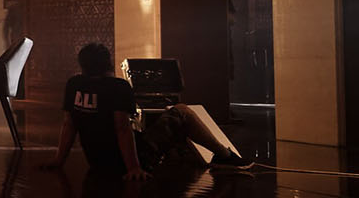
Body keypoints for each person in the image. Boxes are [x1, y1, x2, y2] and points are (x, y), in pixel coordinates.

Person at [42, 43, 250, 180]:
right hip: (132, 159)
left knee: (162, 124)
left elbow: (69, 124)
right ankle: (223, 155)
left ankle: (207, 156)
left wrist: (59, 161)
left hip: (97, 162)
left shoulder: (74, 84)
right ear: (107, 63)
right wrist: (133, 168)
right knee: (181, 111)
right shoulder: (117, 87)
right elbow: (122, 128)